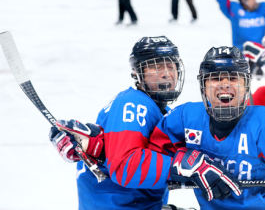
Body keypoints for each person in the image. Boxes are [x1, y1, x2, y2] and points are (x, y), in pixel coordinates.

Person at [52, 45, 265, 209]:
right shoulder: (185, 118)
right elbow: (144, 152)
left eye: (233, 78)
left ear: (246, 87)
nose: (224, 85)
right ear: (203, 87)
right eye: (215, 79)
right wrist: (97, 144)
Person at [49, 36, 241, 210]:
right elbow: (126, 166)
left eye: (170, 66)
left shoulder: (159, 110)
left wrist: (97, 149)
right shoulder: (133, 104)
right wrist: (180, 166)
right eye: (156, 67)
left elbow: (125, 157)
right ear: (137, 73)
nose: (166, 74)